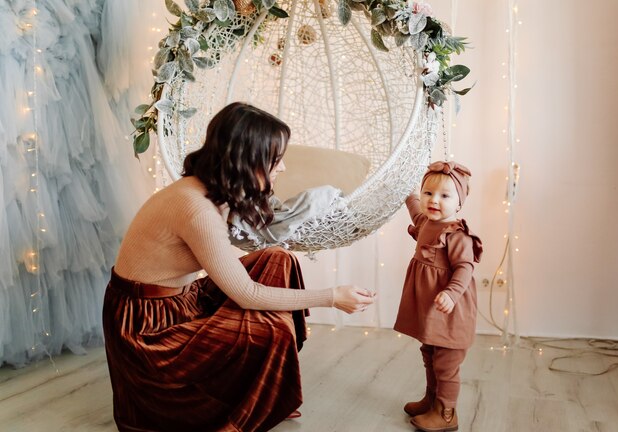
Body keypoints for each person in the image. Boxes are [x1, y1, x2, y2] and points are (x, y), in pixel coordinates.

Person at [103, 102, 375, 432]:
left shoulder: (214, 190)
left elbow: (266, 228)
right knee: (270, 331)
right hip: (149, 325)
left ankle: (266, 384)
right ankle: (253, 395)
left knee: (278, 259)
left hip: (181, 299)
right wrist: (331, 296)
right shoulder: (196, 208)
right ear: (245, 161)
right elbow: (246, 294)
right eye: (275, 160)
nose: (283, 168)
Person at [394, 161, 483, 432]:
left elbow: (465, 268)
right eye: (428, 194)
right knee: (429, 352)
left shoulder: (456, 235)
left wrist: (451, 293)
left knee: (446, 363)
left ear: (459, 203)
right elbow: (413, 206)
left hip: (450, 310)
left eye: (445, 196)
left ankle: (447, 413)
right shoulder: (426, 222)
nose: (434, 201)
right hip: (431, 310)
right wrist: (404, 188)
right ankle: (432, 400)